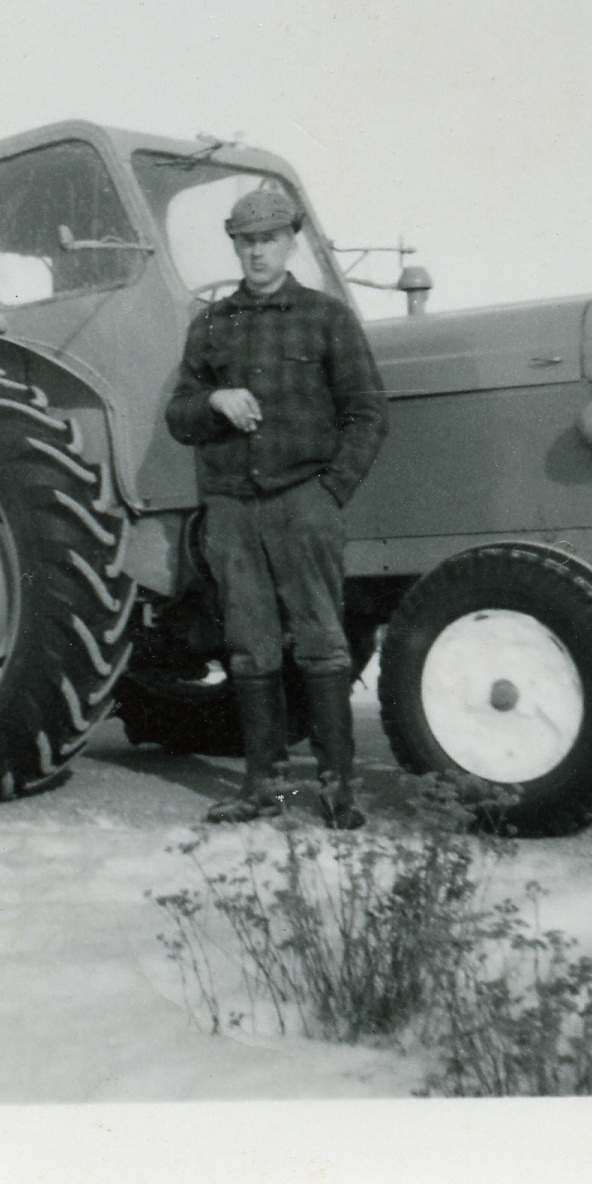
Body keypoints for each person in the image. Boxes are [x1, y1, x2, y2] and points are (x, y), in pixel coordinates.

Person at [165, 187, 389, 827]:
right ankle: (263, 788)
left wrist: (331, 492)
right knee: (250, 649)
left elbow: (369, 413)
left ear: (291, 241)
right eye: (245, 240)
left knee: (322, 644)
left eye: (268, 238)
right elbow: (179, 416)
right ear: (235, 246)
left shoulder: (326, 318)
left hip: (303, 505)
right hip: (233, 511)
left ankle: (337, 790)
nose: (257, 250)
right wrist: (213, 403)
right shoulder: (210, 325)